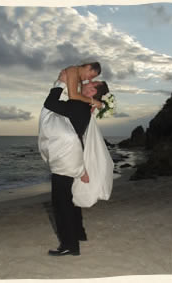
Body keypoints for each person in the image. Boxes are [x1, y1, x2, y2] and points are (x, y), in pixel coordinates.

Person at [38, 71, 110, 256]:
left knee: (62, 205)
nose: (87, 82)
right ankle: (79, 233)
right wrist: (82, 169)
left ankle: (69, 245)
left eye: (92, 84)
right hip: (73, 161)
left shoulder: (78, 105)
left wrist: (59, 83)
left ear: (93, 92)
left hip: (66, 161)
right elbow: (81, 139)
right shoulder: (85, 107)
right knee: (70, 200)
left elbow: (51, 104)